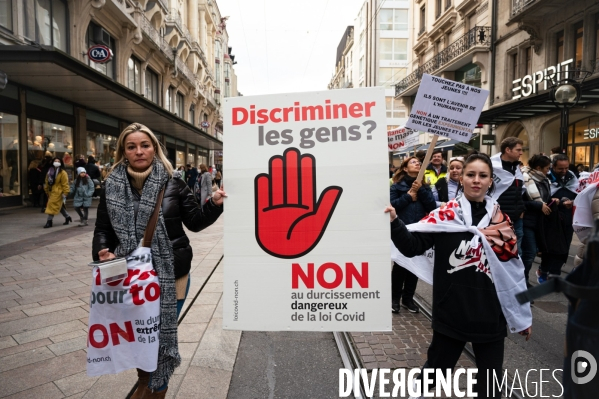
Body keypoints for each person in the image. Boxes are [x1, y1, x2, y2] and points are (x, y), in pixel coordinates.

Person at [92, 122, 225, 398]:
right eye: (132, 146)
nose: (139, 151)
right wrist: (103, 250)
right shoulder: (112, 186)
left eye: (145, 145)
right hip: (129, 277)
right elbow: (102, 230)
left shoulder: (173, 182)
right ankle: (145, 382)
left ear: (154, 148)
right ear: (123, 151)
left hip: (171, 274)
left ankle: (154, 389)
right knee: (139, 338)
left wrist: (213, 203)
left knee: (157, 339)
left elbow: (196, 222)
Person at [387, 152, 532, 398]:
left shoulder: (502, 223)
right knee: (432, 376)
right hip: (451, 313)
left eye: (483, 176)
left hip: (490, 318)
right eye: (471, 174)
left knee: (490, 387)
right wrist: (393, 221)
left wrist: (521, 315)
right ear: (462, 178)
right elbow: (412, 247)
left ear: (490, 181)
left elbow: (513, 273)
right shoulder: (446, 217)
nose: (477, 180)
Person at [390, 156, 436, 314]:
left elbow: (431, 207)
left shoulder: (425, 186)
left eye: (419, 162)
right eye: (413, 162)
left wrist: (421, 189)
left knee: (415, 265)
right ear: (404, 168)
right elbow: (392, 206)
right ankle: (394, 298)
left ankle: (408, 299)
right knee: (400, 265)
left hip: (419, 230)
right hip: (401, 229)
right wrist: (408, 197)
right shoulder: (395, 187)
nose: (417, 164)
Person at [538, 154, 579, 282]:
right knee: (551, 246)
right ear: (553, 167)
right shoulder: (546, 177)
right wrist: (558, 202)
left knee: (564, 246)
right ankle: (544, 269)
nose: (564, 171)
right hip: (551, 217)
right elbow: (541, 197)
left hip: (568, 217)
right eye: (561, 169)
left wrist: (572, 201)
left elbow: (579, 194)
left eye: (566, 168)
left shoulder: (572, 177)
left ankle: (555, 273)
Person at [521, 155, 553, 289]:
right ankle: (523, 282)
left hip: (540, 222)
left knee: (532, 253)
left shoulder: (544, 180)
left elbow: (546, 198)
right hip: (527, 221)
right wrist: (538, 206)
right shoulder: (524, 178)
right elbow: (521, 202)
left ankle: (523, 281)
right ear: (538, 168)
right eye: (547, 168)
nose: (548, 171)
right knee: (529, 253)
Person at [491, 137, 525, 251]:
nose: (521, 153)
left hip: (516, 219)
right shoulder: (492, 167)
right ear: (508, 150)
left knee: (517, 253)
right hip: (498, 219)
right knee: (499, 251)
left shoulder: (517, 168)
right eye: (518, 150)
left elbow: (520, 191)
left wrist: (521, 210)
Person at [43, 157, 72, 228]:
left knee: (52, 205)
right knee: (59, 206)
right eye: (55, 161)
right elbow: (46, 181)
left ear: (60, 163)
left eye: (58, 161)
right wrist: (46, 189)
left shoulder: (63, 172)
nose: (56, 162)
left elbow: (65, 183)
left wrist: (65, 192)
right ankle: (67, 217)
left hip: (58, 192)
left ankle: (49, 221)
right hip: (51, 191)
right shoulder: (50, 171)